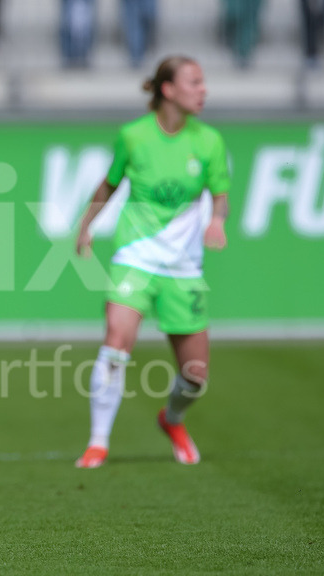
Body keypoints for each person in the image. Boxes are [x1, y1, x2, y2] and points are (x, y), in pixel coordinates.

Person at [73, 55, 229, 469]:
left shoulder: (209, 141)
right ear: (168, 90)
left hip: (184, 267)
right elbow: (109, 184)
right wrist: (86, 226)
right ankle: (98, 441)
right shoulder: (133, 136)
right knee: (115, 342)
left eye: (203, 82)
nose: (203, 90)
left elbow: (220, 193)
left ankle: (172, 419)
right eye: (194, 82)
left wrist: (216, 219)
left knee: (195, 375)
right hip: (135, 256)